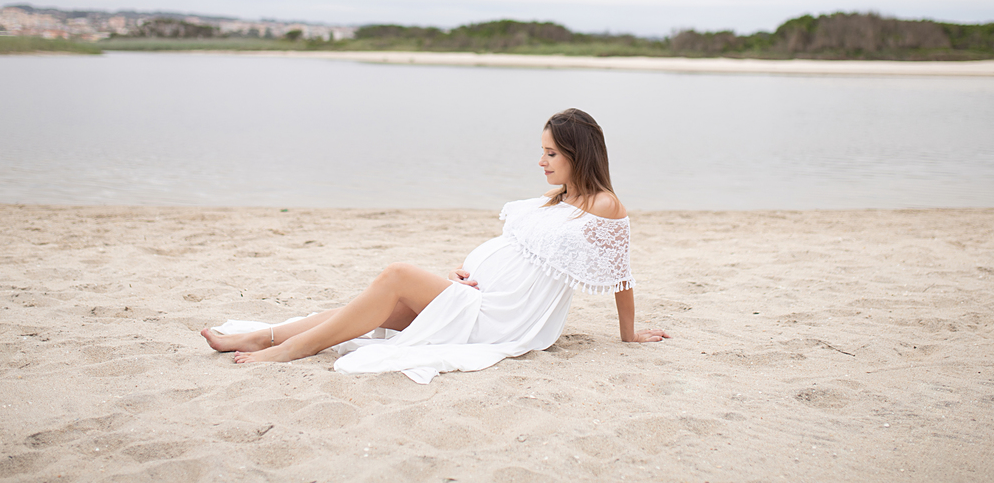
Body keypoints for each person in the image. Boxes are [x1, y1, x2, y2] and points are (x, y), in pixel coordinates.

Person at [201, 108, 669, 383]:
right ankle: (265, 336)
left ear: (577, 154)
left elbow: (620, 275)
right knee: (370, 311)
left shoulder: (604, 205)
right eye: (542, 151)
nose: (541, 161)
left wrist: (628, 334)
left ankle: (288, 350)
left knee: (396, 275)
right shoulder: (558, 198)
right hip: (478, 297)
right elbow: (520, 254)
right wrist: (462, 273)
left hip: (500, 318)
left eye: (551, 153)